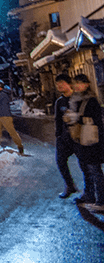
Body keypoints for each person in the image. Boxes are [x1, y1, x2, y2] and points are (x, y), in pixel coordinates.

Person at [68, 73, 104, 209]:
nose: (76, 86)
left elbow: (95, 120)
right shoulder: (76, 99)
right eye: (75, 83)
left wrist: (77, 117)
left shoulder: (90, 100)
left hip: (91, 140)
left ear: (86, 85)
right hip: (81, 141)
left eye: (80, 83)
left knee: (95, 170)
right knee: (86, 170)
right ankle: (90, 196)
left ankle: (101, 201)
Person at [54, 74, 79, 198]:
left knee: (86, 165)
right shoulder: (59, 102)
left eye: (62, 83)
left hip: (79, 137)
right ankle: (70, 185)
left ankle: (90, 192)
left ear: (69, 84)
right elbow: (57, 119)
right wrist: (58, 135)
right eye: (57, 84)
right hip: (64, 137)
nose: (59, 86)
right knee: (60, 160)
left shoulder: (78, 98)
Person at [0, 79, 24, 155]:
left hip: (5, 116)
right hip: (0, 116)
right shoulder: (2, 93)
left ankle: (20, 146)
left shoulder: (3, 94)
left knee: (12, 132)